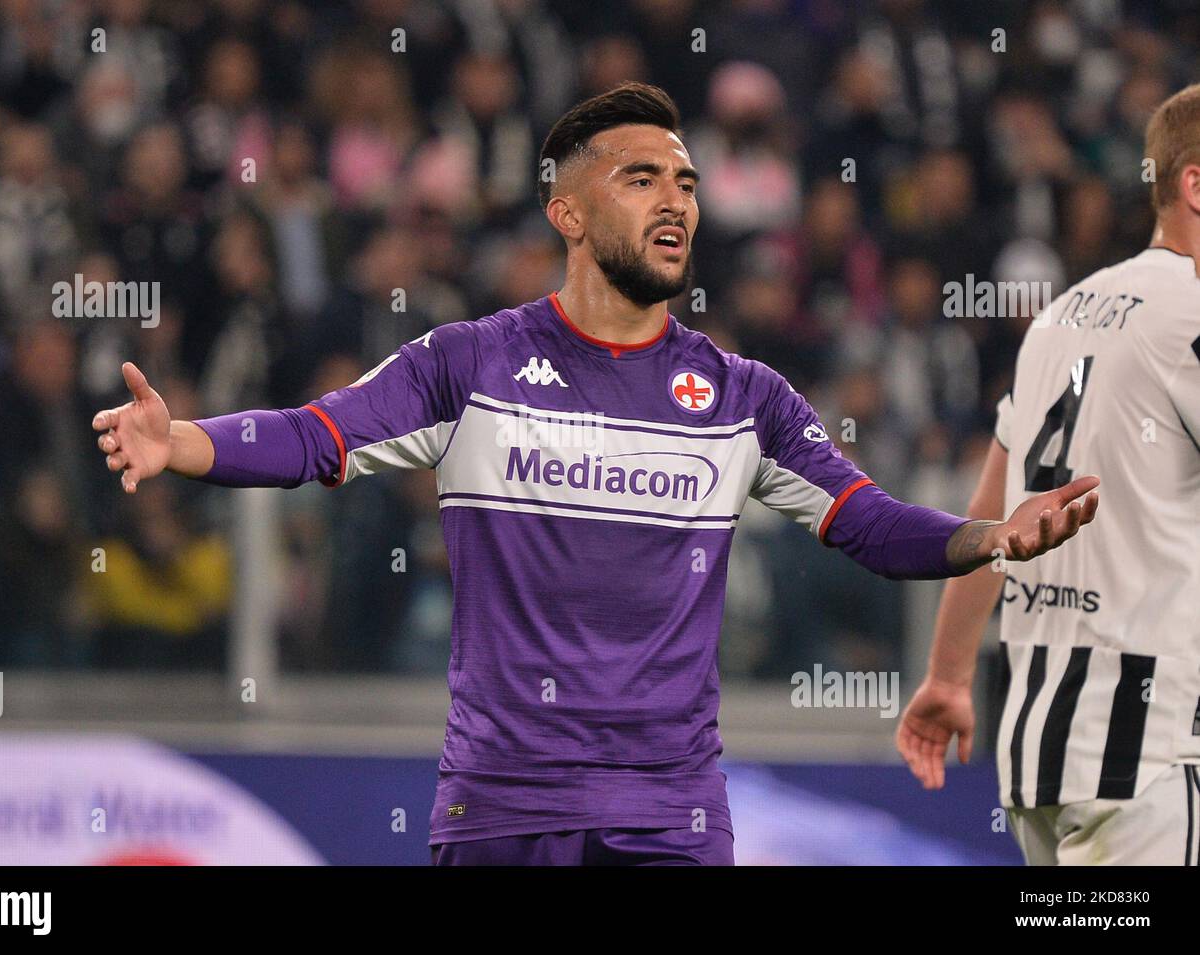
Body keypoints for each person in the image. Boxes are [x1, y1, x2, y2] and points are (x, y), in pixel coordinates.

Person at [94, 83, 1097, 866]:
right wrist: (181, 441)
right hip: (502, 810)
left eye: (688, 183)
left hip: (671, 817)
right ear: (567, 214)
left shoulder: (745, 394)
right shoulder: (469, 364)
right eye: (643, 179)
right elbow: (314, 434)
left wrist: (988, 539)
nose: (677, 202)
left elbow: (868, 523)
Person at [898, 83, 1200, 866]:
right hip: (1155, 752)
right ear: (1195, 185)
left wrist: (948, 673)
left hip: (1041, 756)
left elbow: (990, 515)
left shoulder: (1062, 314)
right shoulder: (1192, 311)